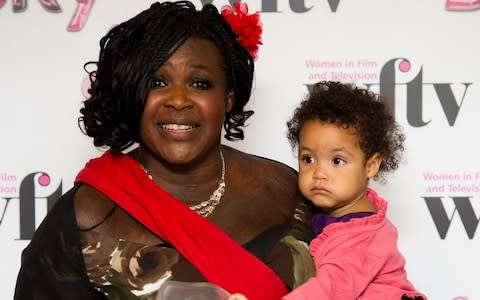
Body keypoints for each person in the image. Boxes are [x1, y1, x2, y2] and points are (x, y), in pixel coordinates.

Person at [13, 1, 314, 300]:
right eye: (157, 82)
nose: (179, 100)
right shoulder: (84, 217)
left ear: (229, 97)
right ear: (132, 94)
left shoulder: (288, 189)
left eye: (200, 83)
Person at [227, 81, 427, 300]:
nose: (319, 173)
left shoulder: (364, 236)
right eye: (308, 159)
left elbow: (328, 291)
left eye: (337, 161)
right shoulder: (323, 213)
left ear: (371, 165)